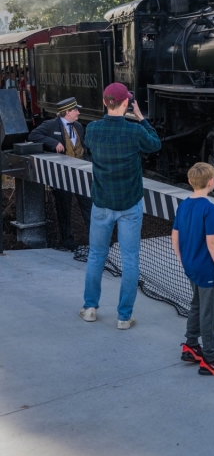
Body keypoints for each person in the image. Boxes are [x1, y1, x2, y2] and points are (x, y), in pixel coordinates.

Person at [79, 82, 161, 328]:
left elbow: (89, 148)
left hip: (102, 204)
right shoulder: (134, 131)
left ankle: (90, 307)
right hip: (129, 206)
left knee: (96, 256)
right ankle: (124, 317)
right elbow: (155, 144)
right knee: (130, 260)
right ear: (127, 104)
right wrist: (142, 119)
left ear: (105, 102)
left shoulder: (92, 129)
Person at [172, 162, 214, 377]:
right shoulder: (209, 208)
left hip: (190, 264)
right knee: (209, 313)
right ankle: (210, 358)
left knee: (197, 305)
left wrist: (183, 259)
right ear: (211, 182)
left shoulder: (184, 204)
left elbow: (175, 236)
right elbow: (212, 243)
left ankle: (190, 346)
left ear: (190, 182)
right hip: (206, 269)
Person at [28, 97, 91, 250]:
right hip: (62, 176)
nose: (78, 112)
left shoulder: (78, 127)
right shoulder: (50, 125)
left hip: (81, 174)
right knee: (64, 208)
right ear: (67, 112)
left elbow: (82, 147)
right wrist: (53, 142)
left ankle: (94, 238)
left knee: (89, 206)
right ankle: (67, 240)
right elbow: (33, 136)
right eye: (76, 110)